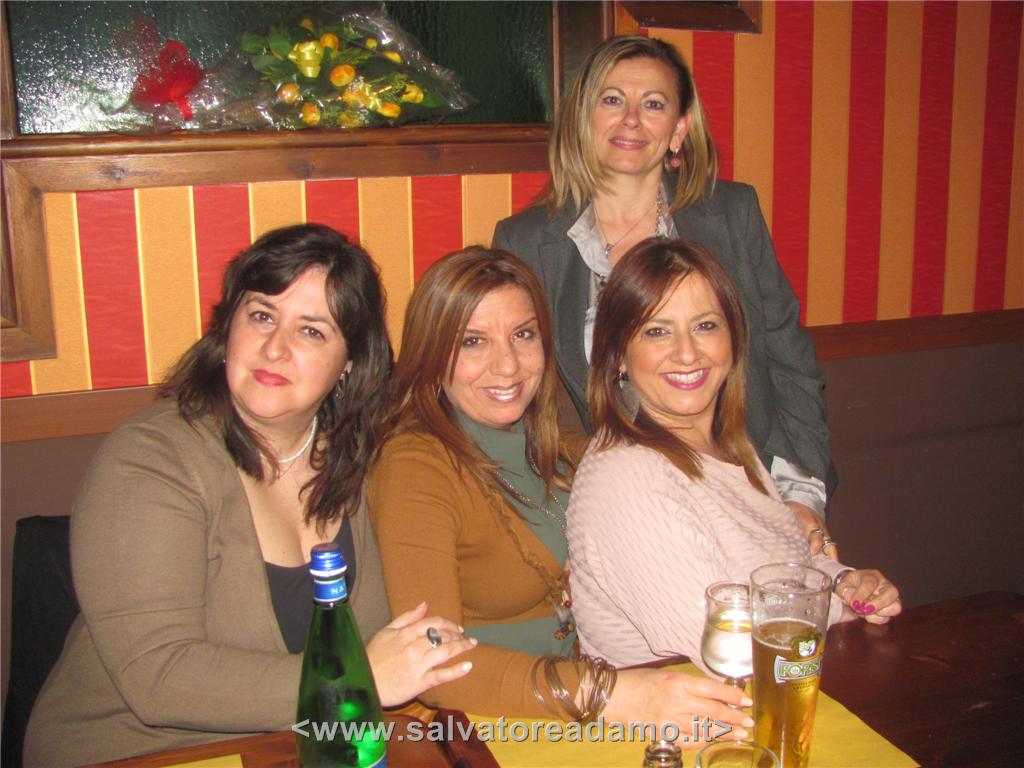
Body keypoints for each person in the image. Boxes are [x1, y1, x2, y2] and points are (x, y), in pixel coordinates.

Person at [24, 225, 474, 767]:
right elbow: (157, 676)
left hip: (302, 748)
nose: (275, 348)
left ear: (350, 362)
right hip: (137, 753)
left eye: (311, 331)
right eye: (261, 316)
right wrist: (357, 682)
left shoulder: (363, 457)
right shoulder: (151, 459)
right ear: (227, 329)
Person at [369, 246, 751, 740]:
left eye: (523, 334)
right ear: (432, 353)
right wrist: (612, 695)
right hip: (490, 727)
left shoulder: (556, 446)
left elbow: (670, 486)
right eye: (473, 342)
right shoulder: (415, 464)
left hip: (588, 710)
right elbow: (433, 663)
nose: (507, 365)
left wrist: (801, 522)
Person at [492, 35, 836, 558]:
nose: (631, 119)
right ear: (583, 119)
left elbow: (791, 363)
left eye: (653, 104)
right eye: (612, 100)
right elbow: (515, 392)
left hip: (749, 488)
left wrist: (802, 497)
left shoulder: (733, 215)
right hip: (624, 502)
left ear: (679, 129)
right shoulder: (525, 242)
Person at [568, 238, 901, 671]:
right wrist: (838, 611)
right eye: (657, 331)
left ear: (733, 339)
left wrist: (844, 583)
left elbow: (780, 567)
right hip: (700, 710)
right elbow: (725, 647)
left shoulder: (728, 447)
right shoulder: (628, 477)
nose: (687, 353)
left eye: (706, 325)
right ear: (618, 357)